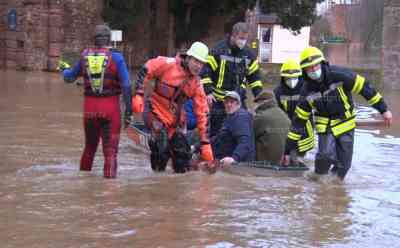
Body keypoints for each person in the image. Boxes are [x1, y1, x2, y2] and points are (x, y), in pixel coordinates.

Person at [281, 46, 393, 180]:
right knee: (324, 157)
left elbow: (365, 88)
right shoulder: (307, 91)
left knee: (344, 166)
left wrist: (383, 109)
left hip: (345, 122)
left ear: (322, 64)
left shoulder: (340, 75)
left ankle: (333, 187)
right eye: (309, 68)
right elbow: (298, 123)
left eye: (315, 66)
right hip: (325, 125)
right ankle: (318, 183)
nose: (313, 70)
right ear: (304, 71)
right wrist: (287, 151)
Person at [131, 41, 214, 173]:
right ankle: (157, 180)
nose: (198, 66)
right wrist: (139, 94)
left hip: (175, 121)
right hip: (155, 111)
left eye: (201, 63)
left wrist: (205, 143)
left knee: (183, 157)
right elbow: (146, 70)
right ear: (188, 57)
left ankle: (176, 188)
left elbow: (202, 113)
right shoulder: (167, 64)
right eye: (196, 61)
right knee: (161, 148)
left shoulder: (197, 84)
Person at [61, 24, 132, 178]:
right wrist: (129, 111)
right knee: (110, 152)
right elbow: (126, 85)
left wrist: (63, 69)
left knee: (89, 148)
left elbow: (69, 77)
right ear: (109, 40)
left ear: (94, 40)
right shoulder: (117, 58)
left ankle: (83, 181)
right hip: (110, 110)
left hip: (90, 111)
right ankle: (109, 191)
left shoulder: (84, 56)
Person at [200, 22, 264, 137]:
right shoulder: (219, 50)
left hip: (239, 101)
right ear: (233, 36)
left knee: (241, 131)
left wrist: (260, 98)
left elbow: (255, 79)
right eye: (241, 38)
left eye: (245, 39)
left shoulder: (249, 55)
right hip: (219, 101)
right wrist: (208, 92)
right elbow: (205, 71)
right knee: (217, 133)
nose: (243, 42)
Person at [273, 58, 315, 160]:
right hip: (287, 129)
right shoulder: (278, 92)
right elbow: (277, 112)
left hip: (305, 129)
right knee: (288, 156)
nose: (291, 81)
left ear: (299, 76)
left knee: (299, 157)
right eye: (288, 78)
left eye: (294, 77)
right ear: (283, 77)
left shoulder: (307, 88)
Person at [211, 91, 255, 167]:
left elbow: (245, 141)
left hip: (240, 164)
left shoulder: (241, 117)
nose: (229, 105)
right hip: (225, 161)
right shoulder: (230, 118)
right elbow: (218, 137)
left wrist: (234, 158)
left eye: (232, 102)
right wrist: (199, 146)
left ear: (238, 104)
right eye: (226, 102)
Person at [253, 91, 291, 164]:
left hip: (266, 161)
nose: (256, 105)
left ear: (262, 102)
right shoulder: (285, 115)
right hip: (284, 160)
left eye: (257, 102)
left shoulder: (261, 116)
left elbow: (250, 135)